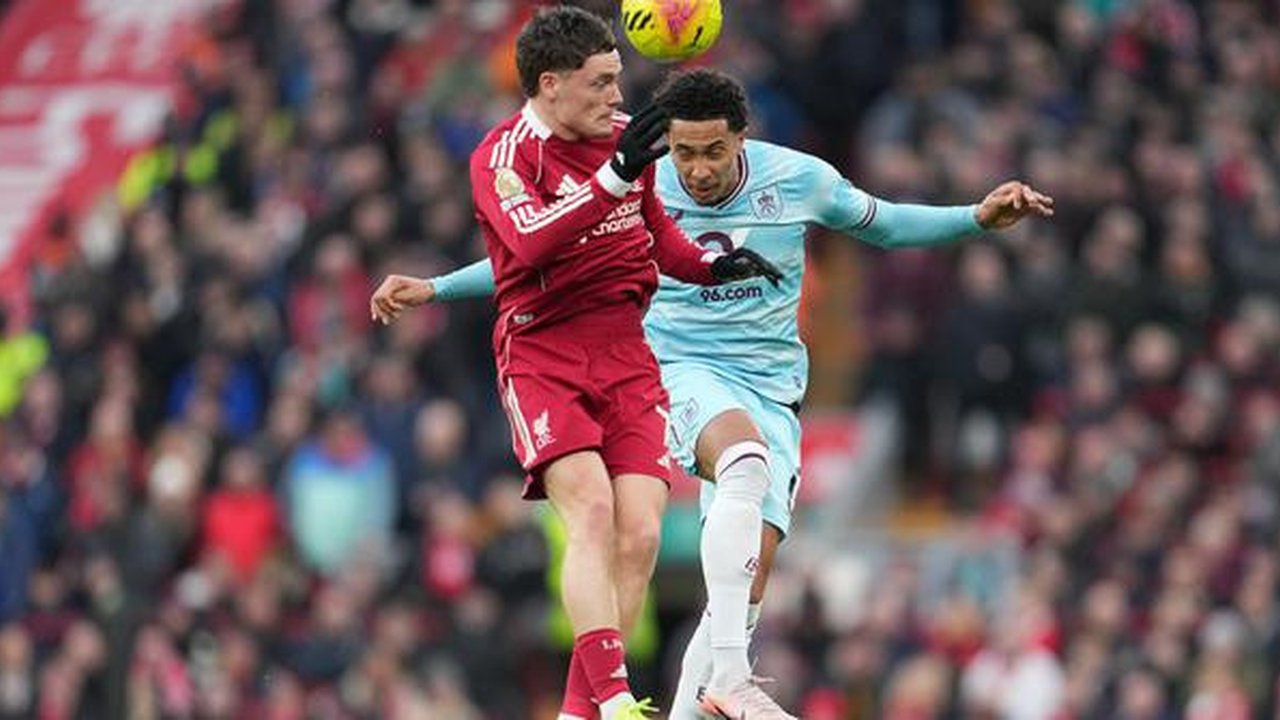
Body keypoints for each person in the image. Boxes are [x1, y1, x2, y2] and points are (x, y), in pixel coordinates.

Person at [377, 68, 1053, 719]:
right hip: (675, 369)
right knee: (743, 459)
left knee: (745, 589)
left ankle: (701, 698)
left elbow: (887, 224)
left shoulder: (798, 180)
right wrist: (436, 287)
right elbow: (535, 260)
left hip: (774, 387)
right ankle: (732, 676)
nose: (696, 169)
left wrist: (976, 218)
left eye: (712, 152)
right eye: (683, 152)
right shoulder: (636, 185)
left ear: (741, 138)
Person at [369, 13, 782, 720]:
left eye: (617, 78)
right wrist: (614, 177)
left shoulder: (620, 144)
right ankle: (616, 699)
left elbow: (654, 231)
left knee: (643, 531)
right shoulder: (503, 157)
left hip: (626, 351)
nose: (616, 94)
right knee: (590, 511)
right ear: (551, 86)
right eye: (601, 81)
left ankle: (577, 712)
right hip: (543, 352)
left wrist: (713, 267)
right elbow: (528, 245)